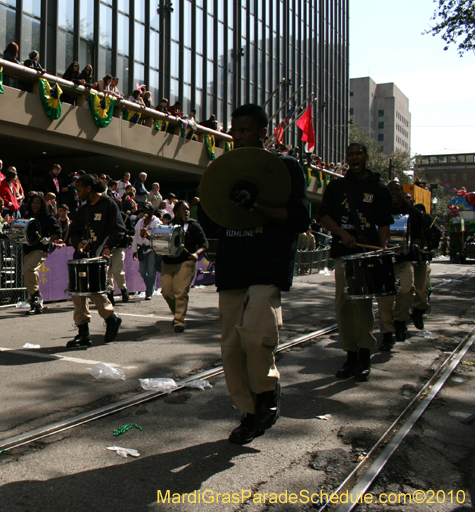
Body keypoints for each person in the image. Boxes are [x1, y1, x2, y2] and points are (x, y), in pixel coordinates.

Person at [213, 103, 309, 445]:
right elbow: (211, 218)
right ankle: (249, 411)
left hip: (267, 267)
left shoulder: (286, 168)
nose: (237, 137)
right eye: (234, 131)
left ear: (263, 133)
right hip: (232, 268)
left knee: (257, 335)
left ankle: (267, 393)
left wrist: (255, 206)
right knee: (231, 347)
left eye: (245, 131)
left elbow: (298, 218)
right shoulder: (223, 169)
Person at [319, 142, 392, 382]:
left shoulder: (380, 189)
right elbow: (324, 218)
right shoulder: (336, 186)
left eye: (359, 153)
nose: (354, 157)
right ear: (347, 159)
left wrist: (381, 249)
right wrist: (342, 234)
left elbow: (383, 224)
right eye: (350, 154)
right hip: (344, 254)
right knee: (343, 304)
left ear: (366, 157)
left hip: (367, 256)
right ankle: (350, 354)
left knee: (363, 306)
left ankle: (363, 356)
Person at [65, 175, 123, 347]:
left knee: (95, 292)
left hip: (98, 257)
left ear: (89, 188)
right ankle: (83, 333)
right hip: (81, 258)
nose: (77, 194)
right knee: (78, 294)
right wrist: (79, 243)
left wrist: (107, 247)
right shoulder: (82, 210)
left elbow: (119, 230)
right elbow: (72, 233)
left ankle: (111, 319)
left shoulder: (109, 204)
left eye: (79, 190)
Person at [375, 181, 424, 350]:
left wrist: (416, 245)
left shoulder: (414, 214)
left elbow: (418, 235)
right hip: (384, 262)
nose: (394, 193)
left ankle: (400, 320)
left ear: (403, 193)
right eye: (391, 190)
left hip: (404, 260)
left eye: (397, 189)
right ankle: (387, 333)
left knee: (406, 290)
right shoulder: (379, 211)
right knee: (384, 299)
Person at [161, 201, 207, 332]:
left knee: (180, 292)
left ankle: (179, 321)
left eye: (187, 209)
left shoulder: (193, 225)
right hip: (168, 263)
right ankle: (178, 314)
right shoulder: (167, 226)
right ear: (175, 212)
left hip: (186, 262)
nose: (186, 211)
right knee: (167, 292)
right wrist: (148, 237)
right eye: (182, 209)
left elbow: (204, 244)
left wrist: (197, 254)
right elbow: (159, 243)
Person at [23, 193, 61, 315]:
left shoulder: (48, 217)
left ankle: (35, 296)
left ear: (42, 204)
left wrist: (49, 239)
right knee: (29, 272)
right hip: (27, 249)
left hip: (41, 249)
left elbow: (58, 233)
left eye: (38, 202)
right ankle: (36, 302)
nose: (35, 205)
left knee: (29, 269)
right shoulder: (27, 217)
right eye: (33, 202)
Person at [411, 203, 439, 329]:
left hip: (421, 258)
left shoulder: (426, 218)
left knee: (422, 287)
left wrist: (431, 242)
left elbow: (436, 233)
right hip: (401, 259)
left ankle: (419, 311)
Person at [131, 203, 160, 300]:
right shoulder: (140, 222)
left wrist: (148, 236)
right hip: (142, 248)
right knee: (142, 271)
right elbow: (135, 237)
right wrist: (134, 250)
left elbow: (158, 237)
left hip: (151, 248)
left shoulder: (157, 222)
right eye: (144, 210)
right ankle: (149, 287)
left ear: (152, 211)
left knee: (151, 271)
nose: (146, 212)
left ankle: (149, 292)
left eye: (148, 210)